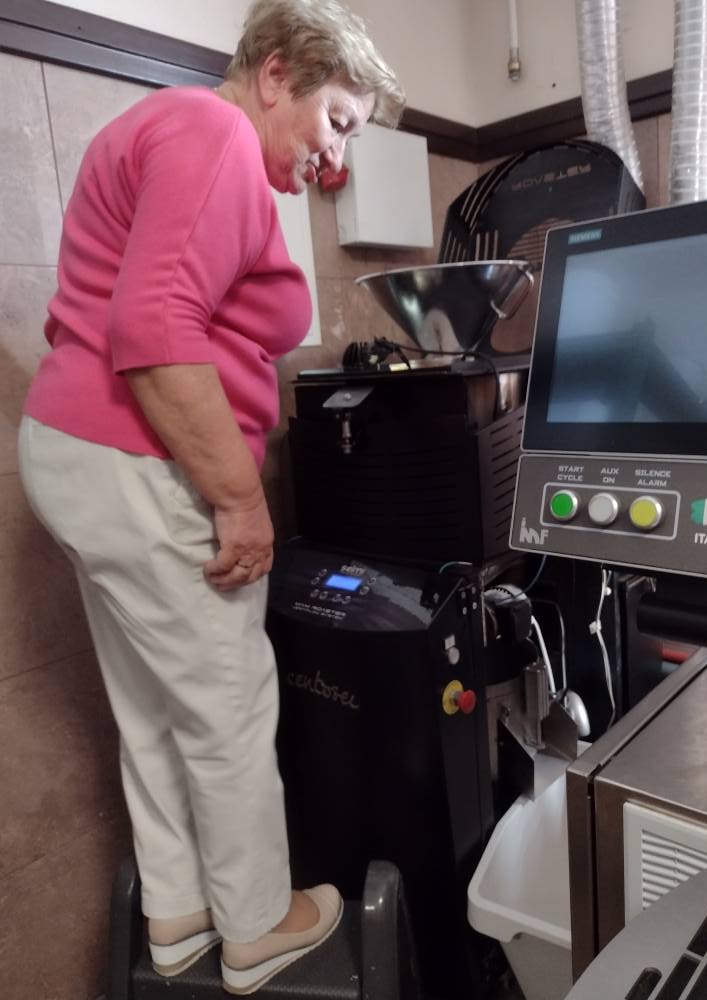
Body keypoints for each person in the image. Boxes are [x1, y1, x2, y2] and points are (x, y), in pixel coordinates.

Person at [18, 1, 404, 994]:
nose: (334, 157)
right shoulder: (213, 130)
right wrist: (240, 499)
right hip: (134, 458)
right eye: (337, 121)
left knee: (153, 704)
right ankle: (258, 923)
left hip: (82, 454)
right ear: (276, 75)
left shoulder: (175, 128)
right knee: (228, 701)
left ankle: (180, 909)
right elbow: (153, 326)